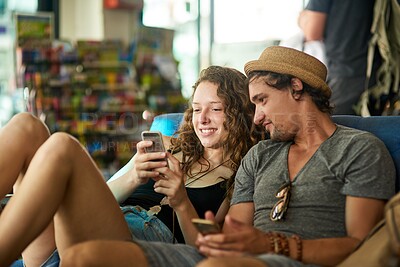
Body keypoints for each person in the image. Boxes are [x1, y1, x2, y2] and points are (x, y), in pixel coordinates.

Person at [57, 46, 395, 267]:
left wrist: (275, 245)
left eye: (261, 101)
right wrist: (220, 237)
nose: (256, 117)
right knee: (86, 257)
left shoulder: (359, 149)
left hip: (288, 260)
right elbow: (231, 232)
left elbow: (361, 246)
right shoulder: (260, 155)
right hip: (222, 257)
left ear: (295, 88)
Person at [0, 65, 259, 266]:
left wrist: (181, 201)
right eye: (196, 109)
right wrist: (133, 176)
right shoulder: (170, 145)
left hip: (127, 247)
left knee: (63, 147)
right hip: (66, 239)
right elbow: (96, 201)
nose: (202, 119)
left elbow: (209, 256)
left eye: (215, 109)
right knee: (28, 125)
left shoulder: (240, 177)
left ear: (238, 114)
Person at [301, 0, 381, 115]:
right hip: (380, 72)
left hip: (345, 75)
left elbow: (313, 33)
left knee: (331, 125)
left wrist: (302, 20)